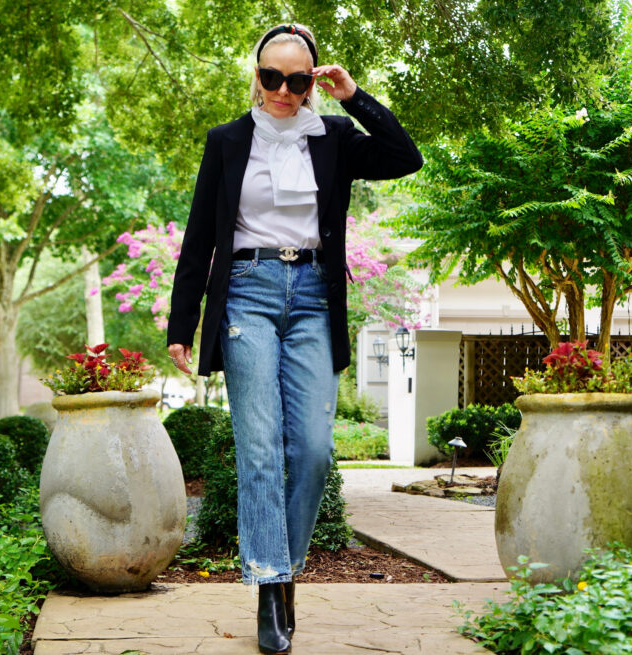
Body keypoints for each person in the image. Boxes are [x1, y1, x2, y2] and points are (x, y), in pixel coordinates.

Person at [166, 23, 421, 654]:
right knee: (258, 450)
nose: (283, 89)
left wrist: (355, 98)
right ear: (256, 76)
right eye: (272, 76)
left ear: (313, 83)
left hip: (312, 295)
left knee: (312, 450)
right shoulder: (227, 142)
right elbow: (201, 237)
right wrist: (181, 324)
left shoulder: (331, 137)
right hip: (247, 293)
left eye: (298, 79)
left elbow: (404, 157)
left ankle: (285, 573)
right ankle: (268, 587)